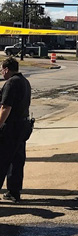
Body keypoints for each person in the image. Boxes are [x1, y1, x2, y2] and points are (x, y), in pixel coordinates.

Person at [0, 57, 32, 203]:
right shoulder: (25, 81)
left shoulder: (11, 83)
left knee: (3, 159)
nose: (1, 73)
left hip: (11, 127)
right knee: (17, 160)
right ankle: (14, 192)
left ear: (7, 69)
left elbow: (5, 107)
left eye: (2, 69)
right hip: (23, 126)